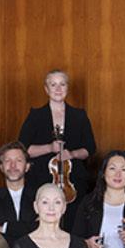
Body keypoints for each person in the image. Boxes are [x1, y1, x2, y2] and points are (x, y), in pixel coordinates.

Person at [18, 70, 96, 206]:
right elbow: (23, 149)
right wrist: (49, 148)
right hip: (41, 178)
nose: (58, 89)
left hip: (74, 180)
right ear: (46, 89)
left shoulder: (79, 116)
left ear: (67, 87)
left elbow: (90, 148)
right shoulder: (35, 116)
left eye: (62, 84)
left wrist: (72, 154)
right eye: (53, 85)